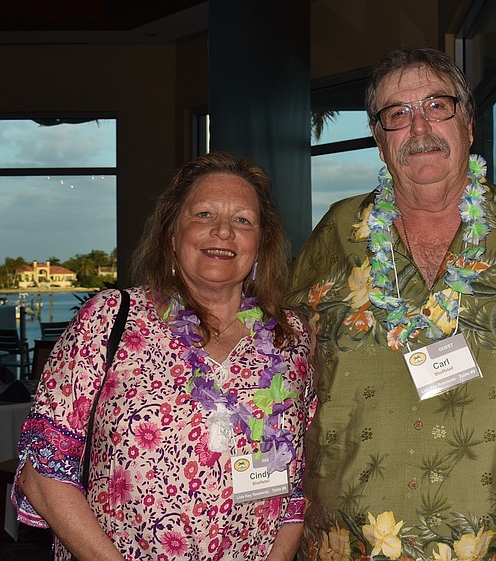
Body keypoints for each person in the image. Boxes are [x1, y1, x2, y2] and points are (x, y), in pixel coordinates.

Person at [286, 47, 496, 561]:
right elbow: (277, 365)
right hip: (346, 546)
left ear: (470, 125)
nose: (420, 127)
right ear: (379, 140)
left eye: (437, 105)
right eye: (397, 113)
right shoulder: (338, 232)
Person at [14, 152, 315, 560]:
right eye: (204, 214)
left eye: (243, 220)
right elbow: (42, 471)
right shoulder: (110, 318)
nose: (223, 230)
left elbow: (296, 484)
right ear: (172, 233)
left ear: (261, 243)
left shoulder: (290, 337)